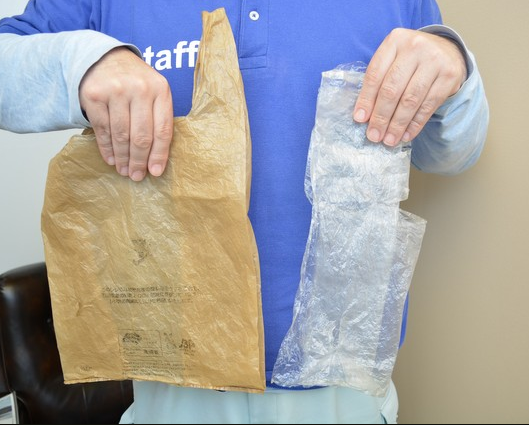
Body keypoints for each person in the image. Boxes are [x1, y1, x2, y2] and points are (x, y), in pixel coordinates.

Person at [0, 1, 488, 423]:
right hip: (174, 381)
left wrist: (453, 66)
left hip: (344, 387)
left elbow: (449, 154)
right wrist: (85, 61)